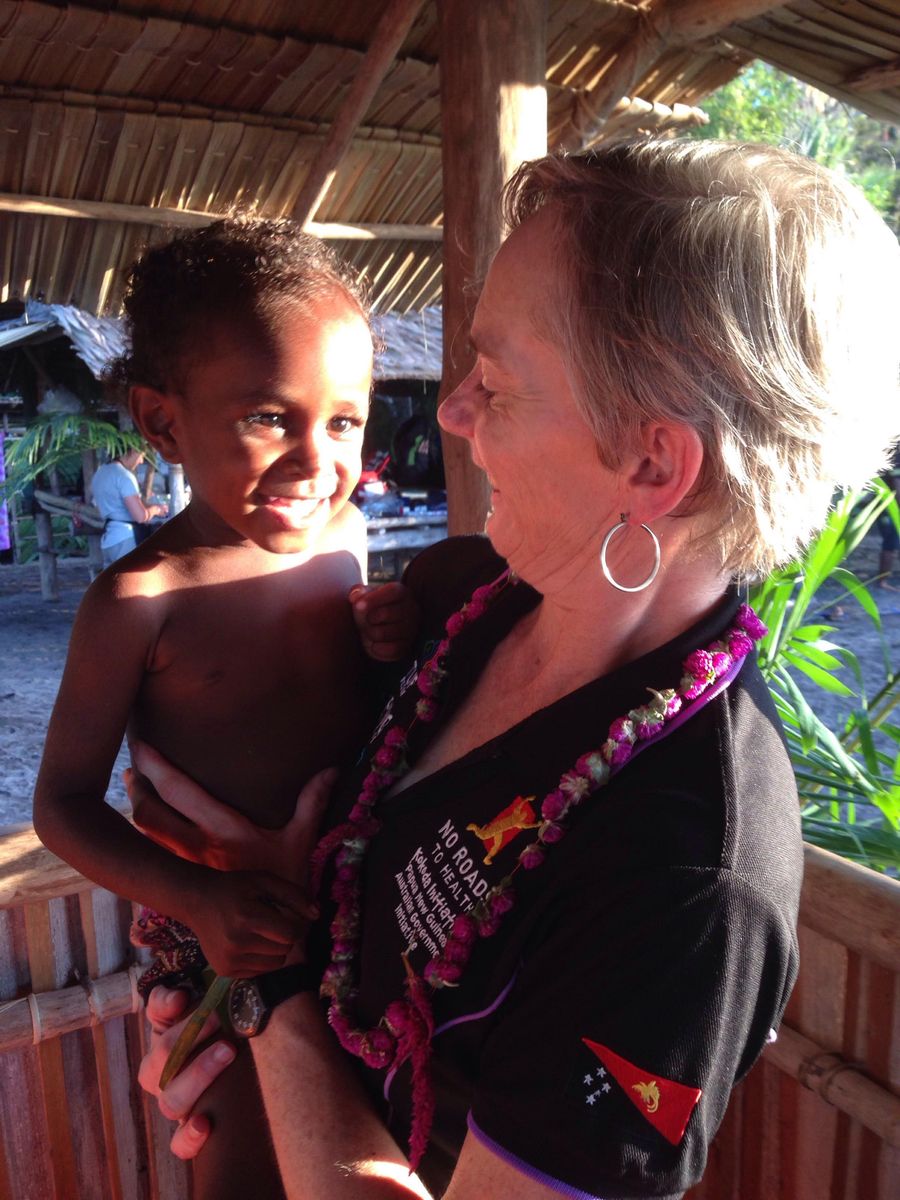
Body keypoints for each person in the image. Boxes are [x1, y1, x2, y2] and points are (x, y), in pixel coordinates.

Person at [134, 139, 900, 1199]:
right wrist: (241, 922)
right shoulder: (455, 602)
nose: (452, 411)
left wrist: (267, 992)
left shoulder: (686, 881)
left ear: (652, 464)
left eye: (496, 381)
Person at [32, 217, 416, 1199]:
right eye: (267, 418)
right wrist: (200, 903)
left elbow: (365, 730)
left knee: (377, 1139)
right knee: (244, 1155)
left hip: (362, 910)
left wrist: (389, 648)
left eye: (343, 421)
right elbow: (63, 807)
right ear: (162, 423)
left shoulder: (348, 540)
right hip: (223, 938)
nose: (313, 461)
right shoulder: (136, 602)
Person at [91, 446, 168, 565]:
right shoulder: (124, 476)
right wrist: (156, 509)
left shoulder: (100, 473)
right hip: (125, 539)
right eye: (141, 455)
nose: (141, 461)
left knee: (112, 582)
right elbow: (140, 516)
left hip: (108, 540)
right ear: (132, 451)